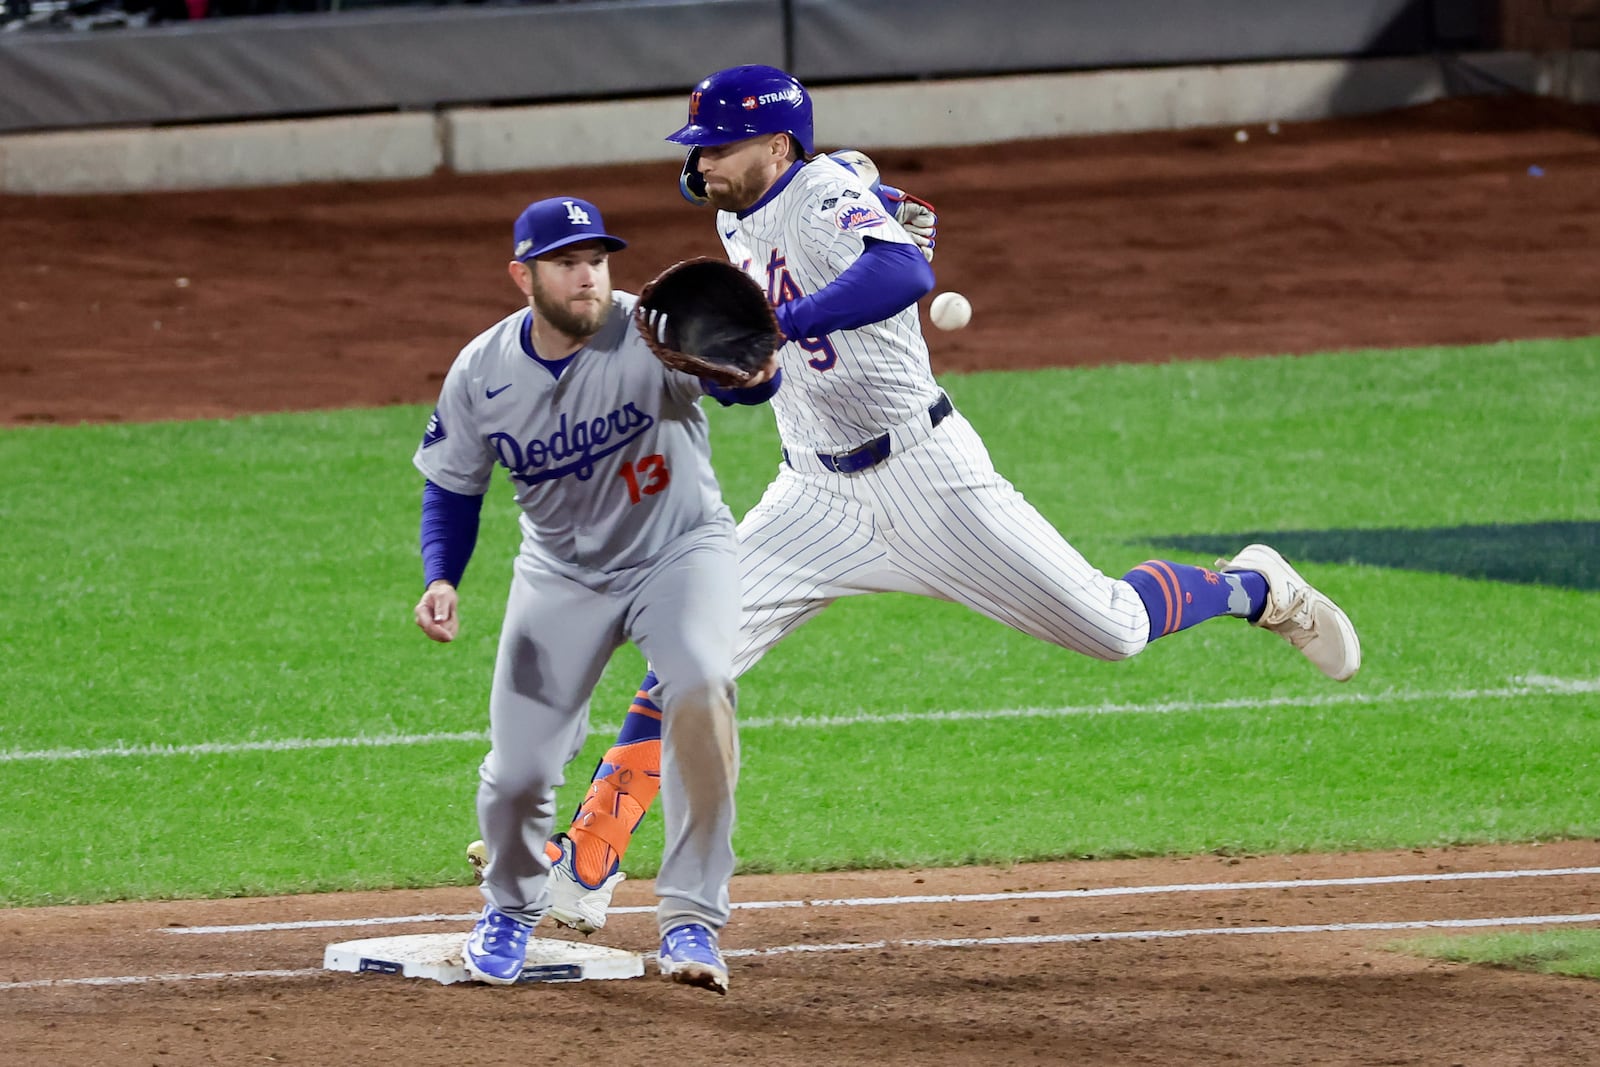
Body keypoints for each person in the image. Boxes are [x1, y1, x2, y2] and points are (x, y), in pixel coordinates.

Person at [494, 64, 1362, 937]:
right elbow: (761, 380)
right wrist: (741, 369)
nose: (701, 161)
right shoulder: (734, 213)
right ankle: (586, 859)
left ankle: (1256, 588)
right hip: (812, 497)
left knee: (1113, 629)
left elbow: (903, 272)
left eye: (716, 145)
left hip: (931, 481)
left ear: (776, 144)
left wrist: (789, 316)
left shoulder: (827, 190)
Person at [413, 194, 779, 995]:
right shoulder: (481, 372)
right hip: (561, 575)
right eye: (566, 262)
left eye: (596, 260)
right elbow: (453, 488)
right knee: (518, 771)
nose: (587, 277)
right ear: (524, 275)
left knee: (701, 689)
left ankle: (690, 918)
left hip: (680, 552)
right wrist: (441, 575)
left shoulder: (652, 329)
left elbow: (743, 387)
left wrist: (757, 374)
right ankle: (510, 908)